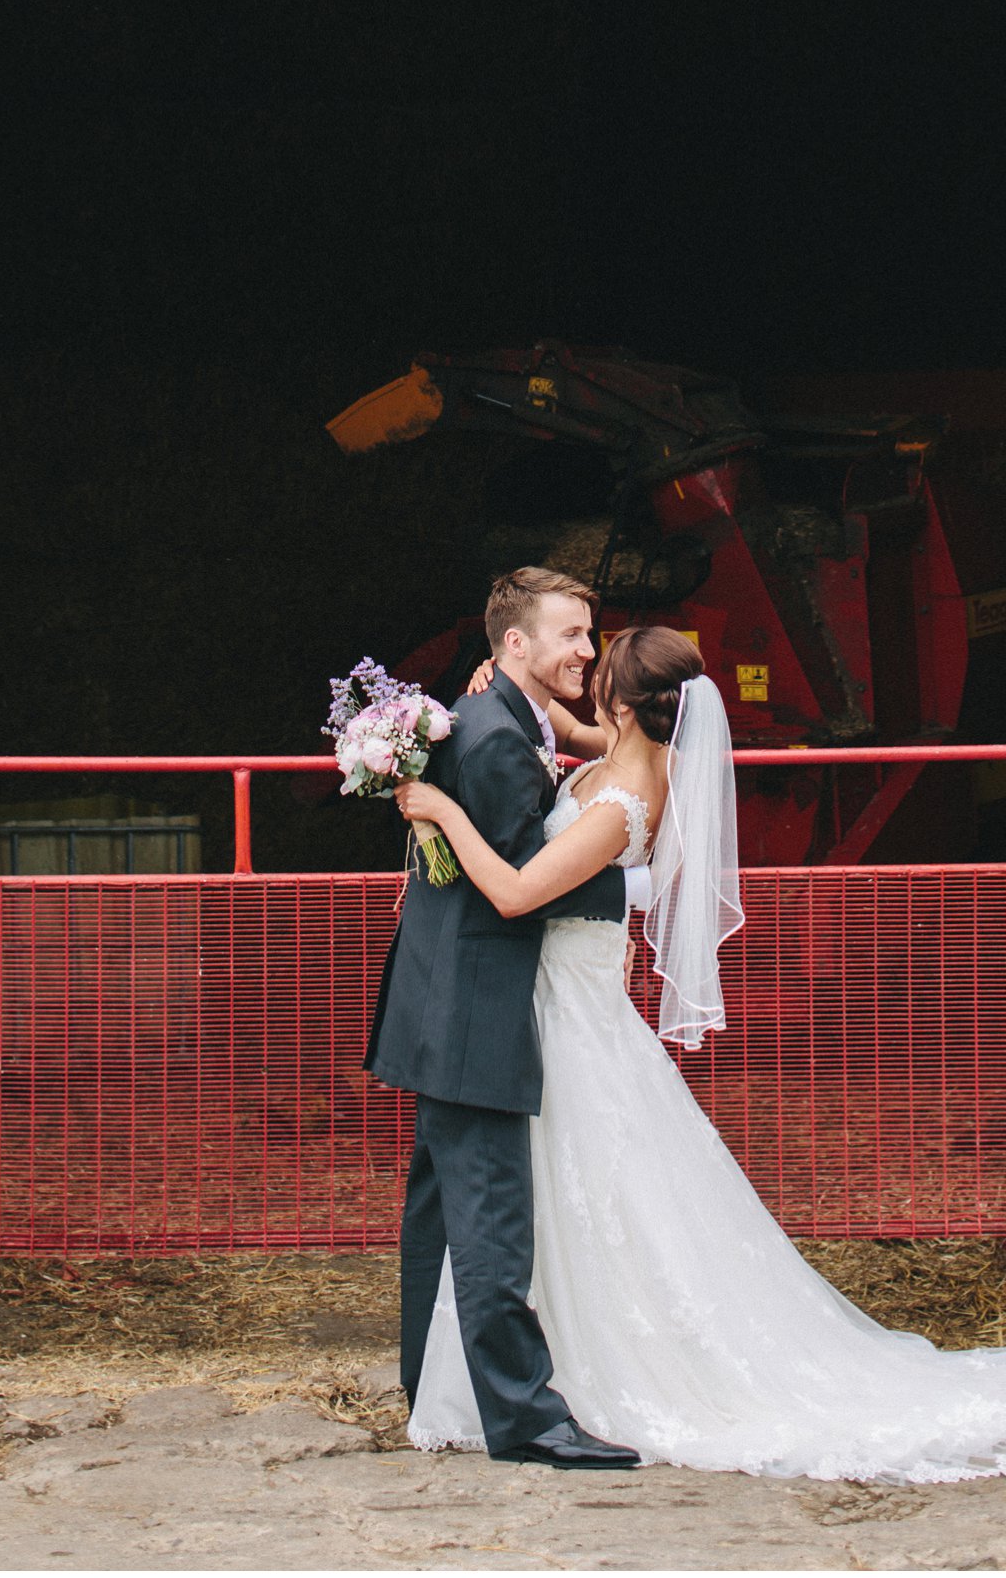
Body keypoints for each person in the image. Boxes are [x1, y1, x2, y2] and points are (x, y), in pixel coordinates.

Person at [393, 623, 1006, 1483]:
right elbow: (572, 732)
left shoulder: (620, 799)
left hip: (571, 1015)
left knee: (592, 1198)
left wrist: (439, 808)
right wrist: (509, 694)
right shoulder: (642, 756)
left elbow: (518, 891)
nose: (585, 666)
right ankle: (537, 1368)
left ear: (626, 705)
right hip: (564, 1011)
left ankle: (595, 1372)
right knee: (577, 1201)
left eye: (599, 662)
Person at [363, 567, 642, 1470]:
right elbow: (520, 884)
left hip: (445, 997)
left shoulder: (506, 720)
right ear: (514, 644)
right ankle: (524, 1421)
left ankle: (430, 1391)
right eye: (569, 634)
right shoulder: (492, 742)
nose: (585, 651)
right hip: (474, 1004)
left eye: (591, 636)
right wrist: (622, 879)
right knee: (490, 1219)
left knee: (441, 1214)